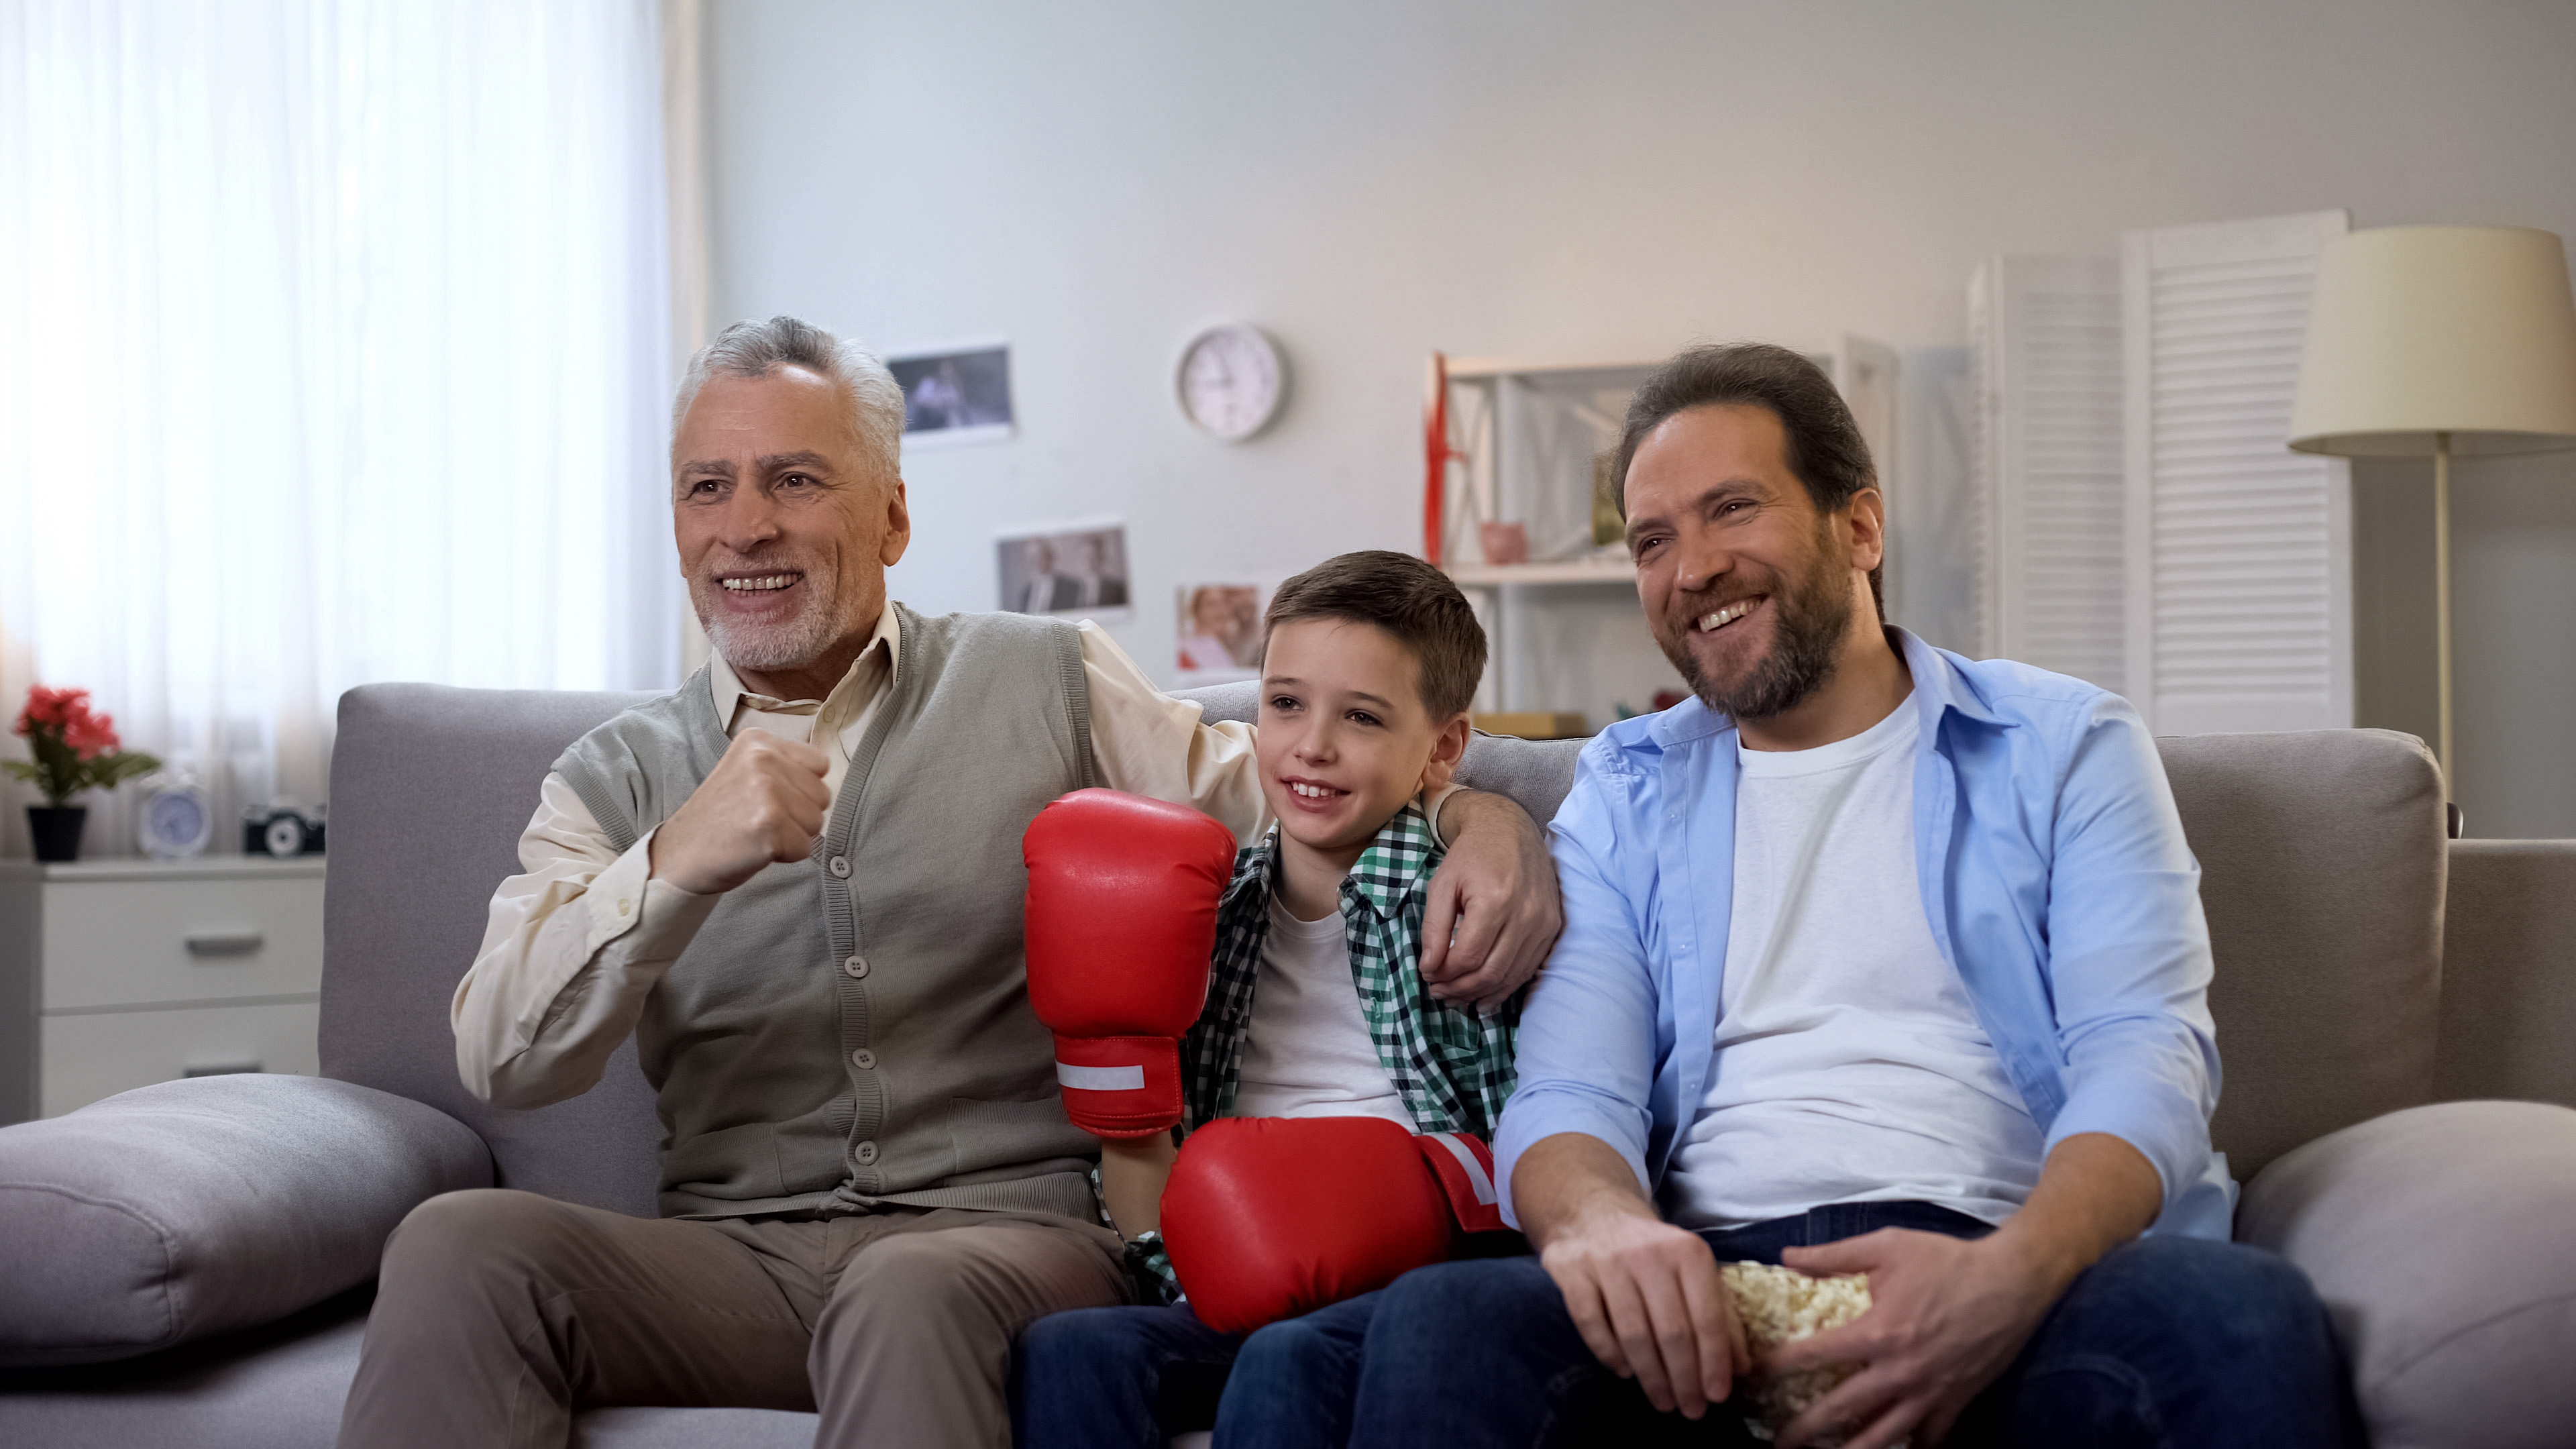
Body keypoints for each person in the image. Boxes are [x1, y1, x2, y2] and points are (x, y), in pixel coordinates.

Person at [335, 317, 1562, 1449]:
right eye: (707, 486)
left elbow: (1300, 787)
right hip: (729, 1258)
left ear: (892, 520)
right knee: (460, 1246)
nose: (743, 525)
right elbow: (503, 1056)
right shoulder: (612, 779)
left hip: (1009, 1240)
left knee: (904, 1285)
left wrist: (1482, 809)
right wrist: (671, 866)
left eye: (795, 480)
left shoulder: (1049, 675)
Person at [1345, 343, 2355, 1449]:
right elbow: (1572, 1094)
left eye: (1734, 509)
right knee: (1446, 1324)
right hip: (1710, 1285)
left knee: (2235, 1315)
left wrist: (2012, 1277)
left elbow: (2146, 1054)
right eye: (1652, 540)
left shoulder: (2063, 745)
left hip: (2017, 1262)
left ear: (1860, 528)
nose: (1692, 570)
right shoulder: (1624, 795)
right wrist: (1603, 1230)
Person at [1013, 551, 1518, 1449]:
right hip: (1237, 1273)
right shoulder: (1204, 918)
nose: (1311, 745)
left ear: (1442, 748)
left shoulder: (1466, 905)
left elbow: (1539, 1134)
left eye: (1362, 717)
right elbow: (1152, 1194)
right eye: (1284, 704)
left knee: (1288, 1358)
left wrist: (1425, 1201)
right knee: (1070, 1350)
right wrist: (1123, 1103)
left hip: (1420, 1281)